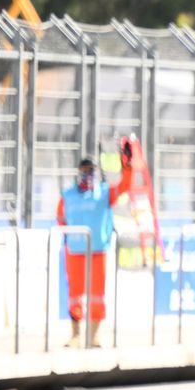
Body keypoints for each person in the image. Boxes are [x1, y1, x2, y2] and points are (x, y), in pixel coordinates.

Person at [56, 148, 136, 348]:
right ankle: (75, 335)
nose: (87, 174)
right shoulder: (68, 195)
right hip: (74, 250)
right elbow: (60, 218)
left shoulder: (104, 193)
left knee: (97, 295)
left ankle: (93, 336)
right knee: (75, 294)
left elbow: (125, 185)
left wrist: (127, 165)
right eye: (84, 169)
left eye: (91, 170)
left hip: (97, 250)